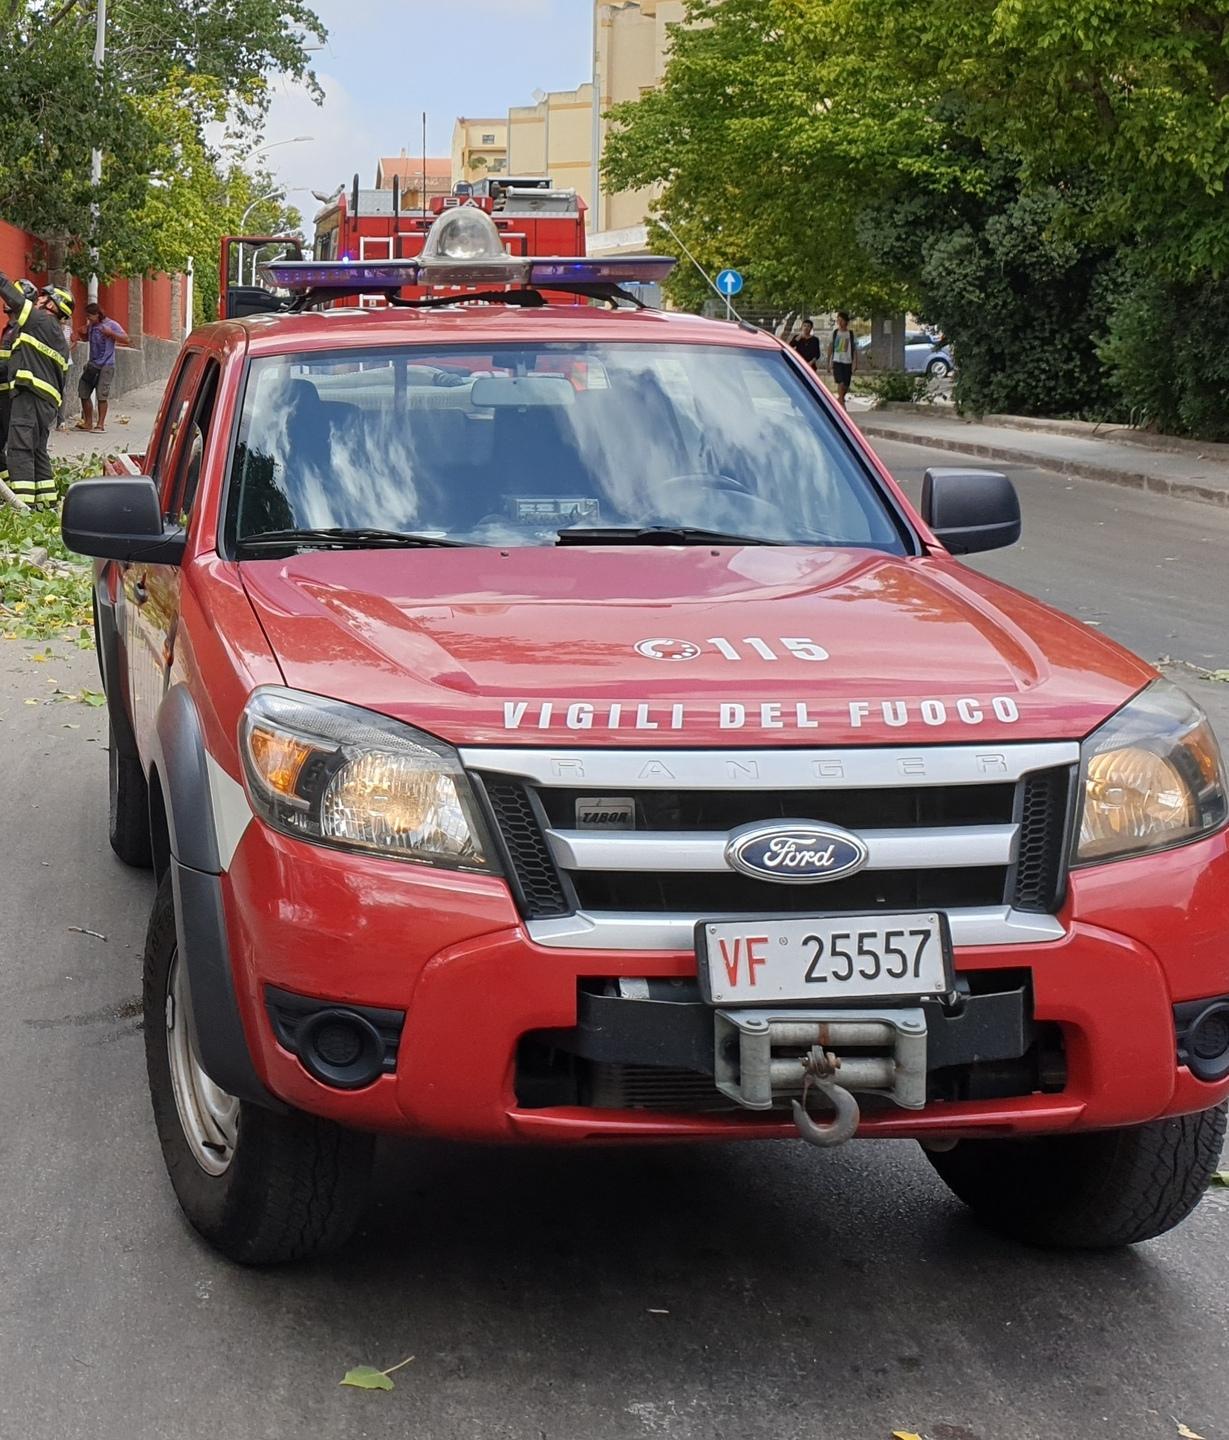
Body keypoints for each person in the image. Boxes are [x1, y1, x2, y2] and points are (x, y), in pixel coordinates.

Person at [0, 274, 72, 507]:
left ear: (52, 304)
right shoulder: (57, 335)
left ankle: (22, 510)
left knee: (20, 450)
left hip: (30, 398)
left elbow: (16, 300)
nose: (38, 299)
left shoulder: (40, 321)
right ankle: (46, 504)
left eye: (43, 296)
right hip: (46, 404)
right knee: (38, 451)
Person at [77, 301, 126, 433]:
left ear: (98, 314)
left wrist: (111, 334)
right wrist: (81, 333)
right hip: (92, 364)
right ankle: (88, 422)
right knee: (83, 390)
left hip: (106, 366)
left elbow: (127, 339)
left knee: (101, 395)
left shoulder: (112, 325)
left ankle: (100, 424)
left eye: (90, 316)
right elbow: (87, 339)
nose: (88, 319)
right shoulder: (92, 326)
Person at [829, 311, 858, 410]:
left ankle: (840, 399)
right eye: (838, 320)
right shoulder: (835, 333)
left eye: (841, 320)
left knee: (846, 384)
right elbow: (831, 347)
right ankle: (841, 404)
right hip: (837, 361)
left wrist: (855, 363)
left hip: (848, 361)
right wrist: (829, 361)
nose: (839, 322)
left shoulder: (850, 334)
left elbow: (854, 349)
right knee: (840, 382)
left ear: (846, 322)